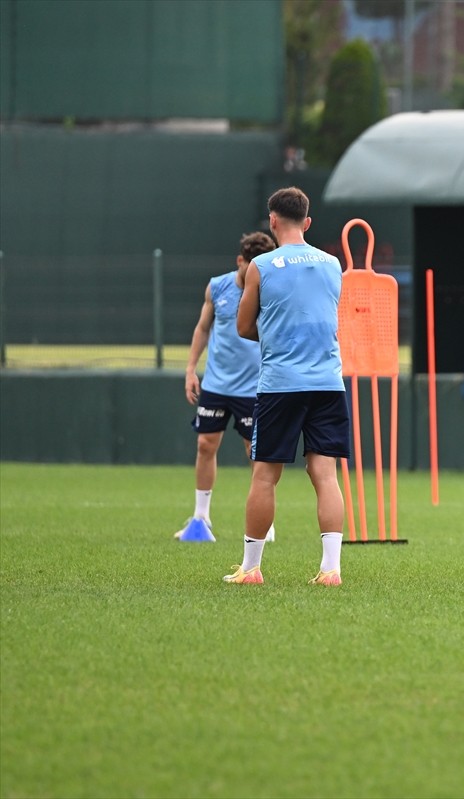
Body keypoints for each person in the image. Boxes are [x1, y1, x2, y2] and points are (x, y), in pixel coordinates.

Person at [225, 186, 349, 586]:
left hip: (281, 383)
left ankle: (251, 568)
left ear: (273, 221)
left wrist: (278, 334)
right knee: (325, 474)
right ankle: (331, 569)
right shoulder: (333, 264)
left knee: (265, 475)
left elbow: (244, 326)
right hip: (329, 383)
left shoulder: (261, 265)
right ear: (308, 221)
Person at [174, 231, 278, 543]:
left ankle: (264, 520)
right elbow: (202, 328)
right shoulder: (217, 286)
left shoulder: (269, 290)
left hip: (253, 387)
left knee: (255, 452)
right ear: (240, 261)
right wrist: (191, 369)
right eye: (251, 266)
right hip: (217, 384)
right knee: (206, 444)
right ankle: (201, 517)